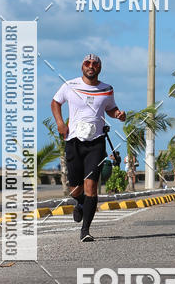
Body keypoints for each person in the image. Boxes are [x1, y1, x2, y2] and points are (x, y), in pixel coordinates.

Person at [51, 55, 125, 242]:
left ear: (100, 67)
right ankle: (81, 204)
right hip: (74, 141)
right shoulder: (70, 85)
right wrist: (60, 123)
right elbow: (55, 102)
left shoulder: (107, 89)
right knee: (75, 189)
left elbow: (111, 108)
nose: (91, 66)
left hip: (96, 142)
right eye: (87, 63)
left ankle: (85, 230)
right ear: (82, 66)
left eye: (95, 64)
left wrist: (118, 114)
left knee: (91, 187)